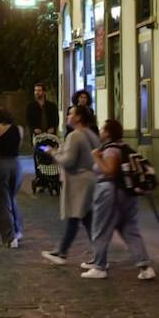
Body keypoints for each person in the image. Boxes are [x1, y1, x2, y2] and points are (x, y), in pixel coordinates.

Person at [83, 119, 156, 281]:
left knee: (101, 229)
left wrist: (96, 157)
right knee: (130, 230)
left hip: (110, 193)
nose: (100, 132)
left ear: (108, 133)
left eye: (103, 129)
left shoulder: (111, 150)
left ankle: (99, 266)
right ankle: (145, 266)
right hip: (127, 195)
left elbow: (109, 171)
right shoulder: (124, 147)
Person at [42, 106, 101, 267]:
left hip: (79, 181)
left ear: (78, 118)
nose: (67, 116)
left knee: (75, 216)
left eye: (71, 114)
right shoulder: (91, 134)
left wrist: (53, 153)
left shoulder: (75, 136)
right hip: (90, 179)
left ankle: (62, 252)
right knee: (86, 219)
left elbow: (68, 161)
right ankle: (99, 256)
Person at [0, 108, 23, 247]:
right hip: (17, 164)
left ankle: (10, 236)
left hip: (1, 164)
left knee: (2, 201)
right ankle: (18, 230)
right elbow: (17, 147)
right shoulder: (19, 129)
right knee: (12, 198)